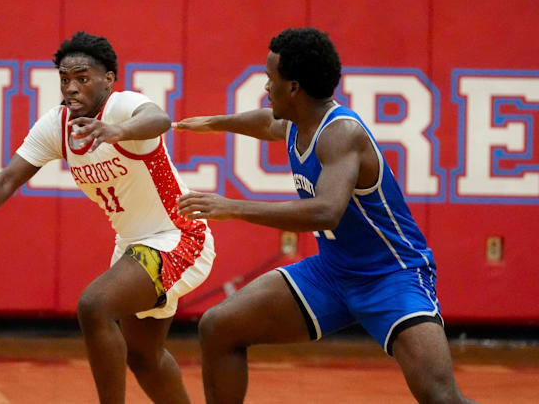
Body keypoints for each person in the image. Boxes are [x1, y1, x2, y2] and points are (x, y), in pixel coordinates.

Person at [174, 27, 475, 404]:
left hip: (391, 274)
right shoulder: (297, 123)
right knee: (219, 326)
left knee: (441, 397)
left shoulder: (341, 133)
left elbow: (326, 212)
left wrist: (231, 207)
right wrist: (216, 122)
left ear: (294, 88)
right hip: (333, 273)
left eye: (271, 80)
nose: (267, 88)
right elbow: (267, 123)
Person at [0, 31, 215, 404]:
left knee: (94, 305)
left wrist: (116, 130)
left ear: (108, 79)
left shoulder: (122, 107)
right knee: (144, 356)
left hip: (178, 235)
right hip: (132, 246)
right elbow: (7, 179)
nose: (71, 88)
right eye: (65, 80)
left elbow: (159, 118)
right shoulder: (57, 125)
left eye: (82, 79)